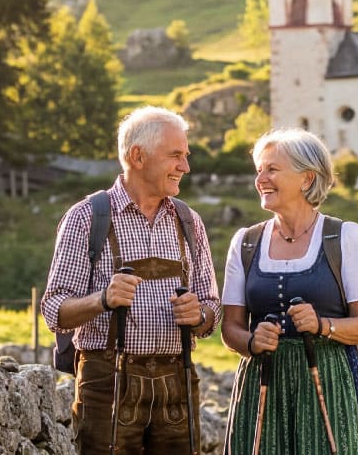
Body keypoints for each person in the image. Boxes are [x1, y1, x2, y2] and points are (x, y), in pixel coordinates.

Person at [41, 107, 220, 455]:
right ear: (137, 156)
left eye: (186, 156)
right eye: (175, 156)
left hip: (177, 383)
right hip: (107, 383)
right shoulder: (86, 217)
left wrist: (198, 315)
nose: (185, 167)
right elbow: (53, 310)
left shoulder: (188, 220)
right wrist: (102, 299)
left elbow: (212, 308)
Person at [221, 129, 358, 455]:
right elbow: (230, 328)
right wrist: (252, 340)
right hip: (262, 383)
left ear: (307, 178)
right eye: (259, 170)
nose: (261, 179)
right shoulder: (246, 242)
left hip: (328, 383)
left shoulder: (344, 238)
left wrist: (323, 325)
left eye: (272, 169)